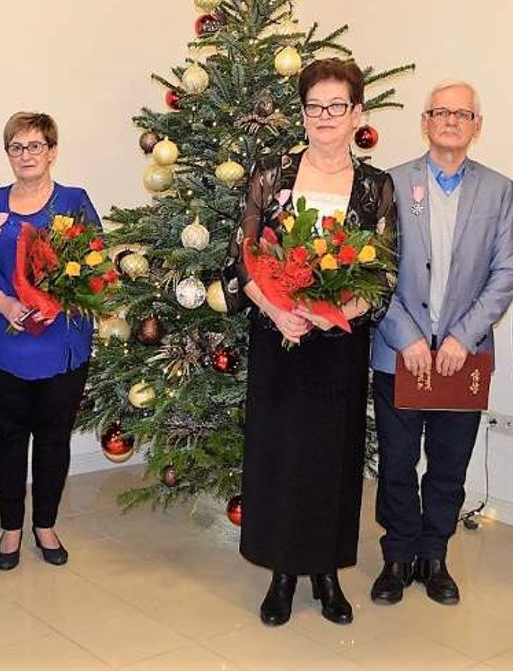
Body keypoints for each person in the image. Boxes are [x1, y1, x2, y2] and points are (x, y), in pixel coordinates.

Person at [221, 58, 397, 627]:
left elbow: (386, 271)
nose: (324, 117)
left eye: (336, 106)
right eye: (314, 106)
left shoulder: (376, 187)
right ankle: (280, 573)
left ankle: (326, 572)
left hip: (338, 344)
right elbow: (241, 255)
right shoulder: (271, 174)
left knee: (333, 457)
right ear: (302, 114)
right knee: (281, 454)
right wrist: (278, 310)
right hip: (280, 337)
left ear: (357, 114)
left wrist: (336, 313)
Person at [370, 80, 513, 607]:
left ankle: (435, 555)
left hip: (464, 356)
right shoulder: (389, 183)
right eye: (441, 112)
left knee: (449, 463)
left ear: (477, 125)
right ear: (425, 122)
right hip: (398, 352)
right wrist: (406, 335)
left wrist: (463, 335)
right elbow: (372, 270)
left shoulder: (499, 189)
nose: (451, 120)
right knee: (395, 461)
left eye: (463, 113)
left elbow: (507, 272)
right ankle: (398, 555)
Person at [0, 112, 100, 571]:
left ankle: (45, 524)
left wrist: (57, 302)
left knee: (53, 439)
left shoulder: (74, 202)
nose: (26, 155)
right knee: (8, 438)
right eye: (16, 147)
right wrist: (2, 303)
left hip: (62, 345)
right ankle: (10, 528)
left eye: (35, 146)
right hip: (5, 343)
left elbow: (94, 266)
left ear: (52, 151)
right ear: (8, 154)